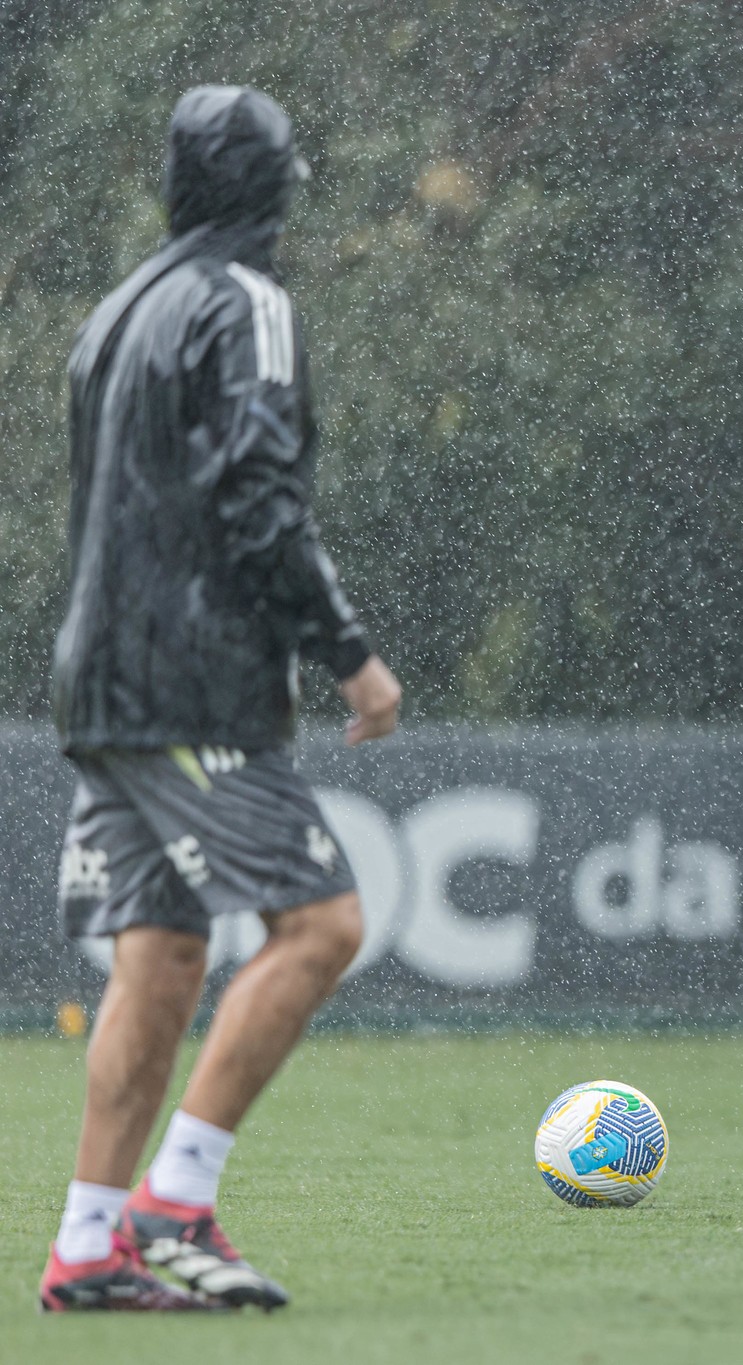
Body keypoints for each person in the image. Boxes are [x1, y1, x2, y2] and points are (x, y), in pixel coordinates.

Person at [38, 86, 402, 1313]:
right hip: (191, 685)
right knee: (323, 926)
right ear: (272, 185)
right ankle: (175, 1199)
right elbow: (260, 498)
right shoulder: (248, 305)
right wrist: (347, 653)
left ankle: (89, 1249)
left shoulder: (115, 312)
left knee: (161, 957)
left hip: (98, 681)